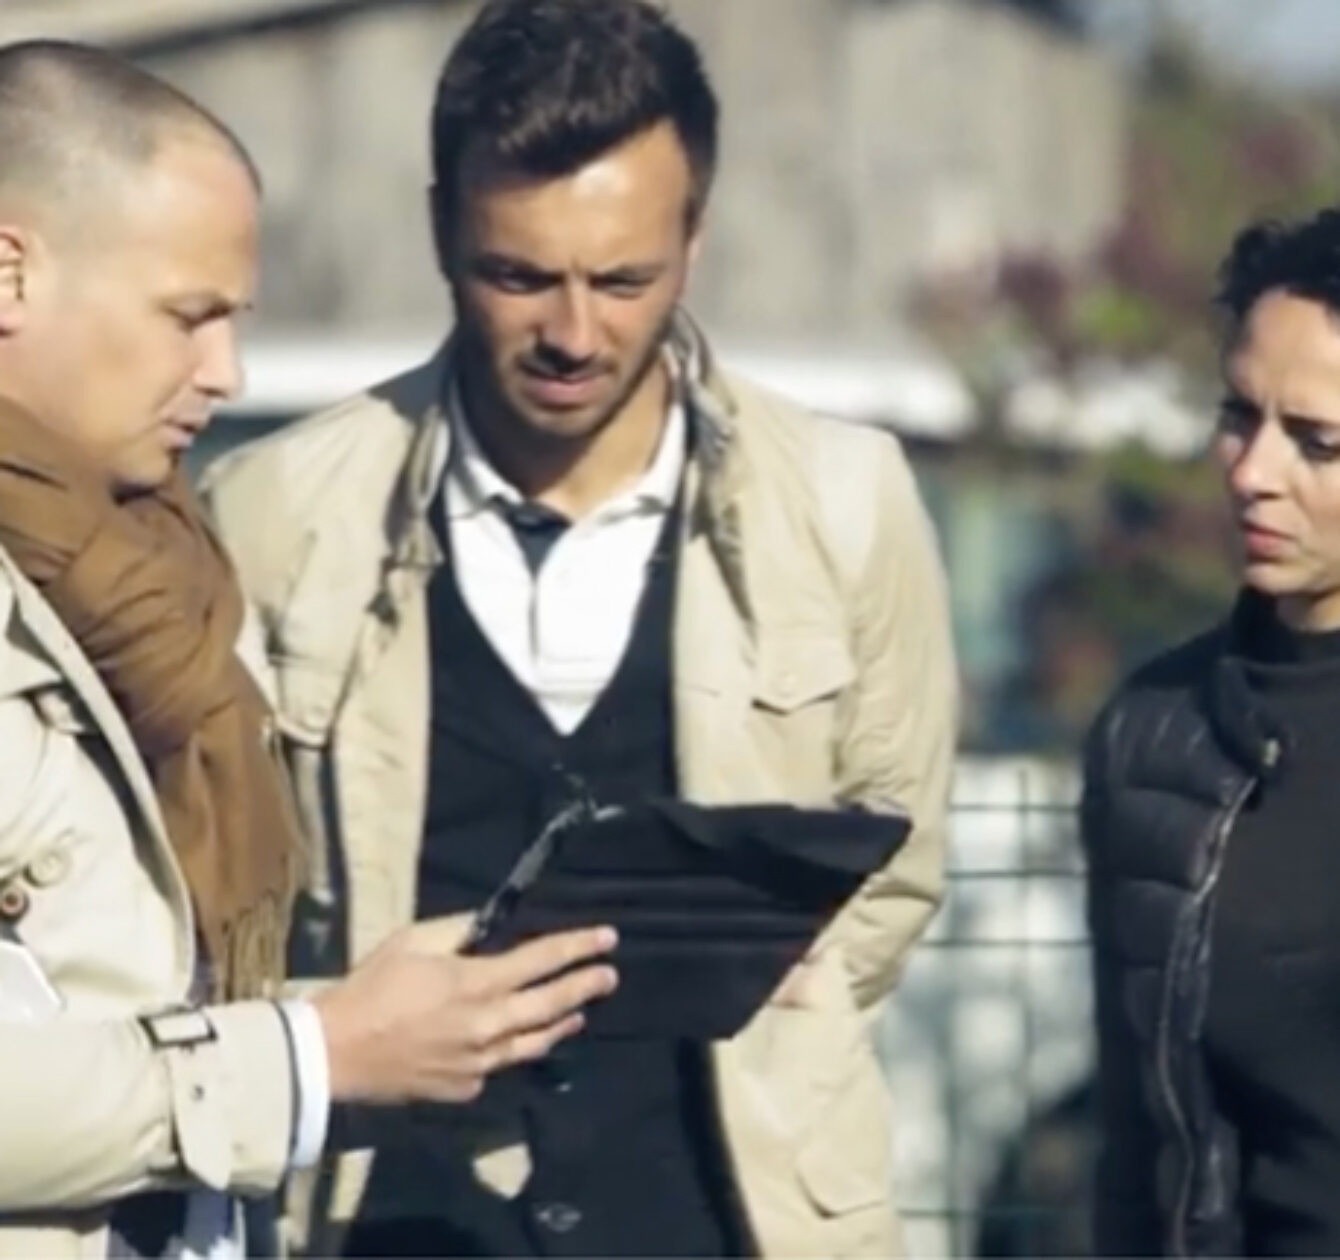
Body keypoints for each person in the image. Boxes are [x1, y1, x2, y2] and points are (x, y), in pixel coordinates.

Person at [204, 0, 956, 1255]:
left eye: (622, 279)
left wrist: (763, 1049)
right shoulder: (275, 513)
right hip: (385, 1222)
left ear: (693, 241)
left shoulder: (843, 501)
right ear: (442, 226)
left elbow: (891, 871)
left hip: (727, 1220)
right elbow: (227, 919)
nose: (572, 333)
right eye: (518, 275)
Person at [0, 39, 619, 1260]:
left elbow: (108, 1021)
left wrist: (380, 1027)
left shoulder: (147, 578)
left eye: (235, 322)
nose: (223, 373)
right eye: (188, 317)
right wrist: (314, 1057)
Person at [1084, 206, 1340, 1257]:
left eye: (1315, 441)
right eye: (1238, 416)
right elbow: (1137, 1149)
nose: (1249, 471)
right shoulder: (1155, 738)